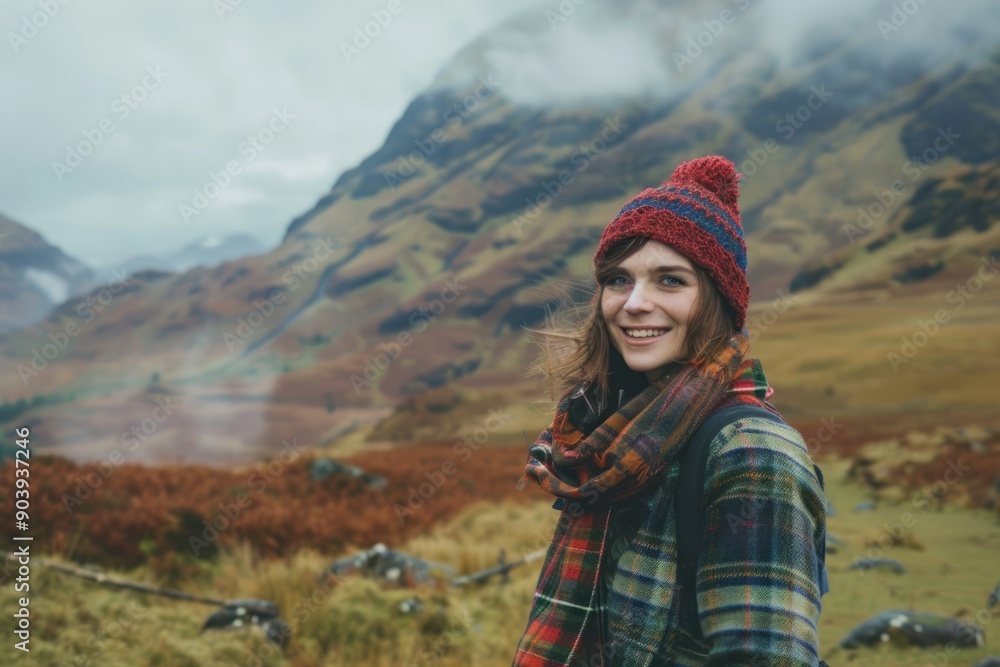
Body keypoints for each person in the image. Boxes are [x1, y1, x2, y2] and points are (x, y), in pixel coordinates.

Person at [512, 155, 828, 666]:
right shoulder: (616, 433)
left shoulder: (750, 453)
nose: (634, 302)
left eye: (670, 280)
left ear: (718, 301)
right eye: (618, 279)